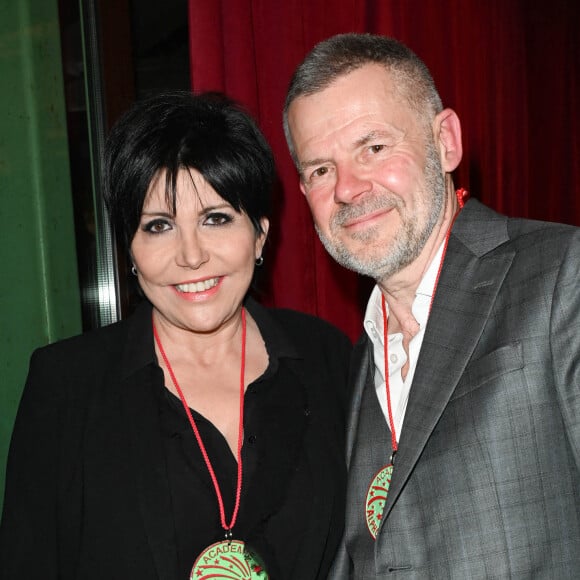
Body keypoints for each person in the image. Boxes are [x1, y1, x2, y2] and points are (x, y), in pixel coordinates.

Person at [0, 91, 352, 580]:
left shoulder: (330, 358)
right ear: (130, 249)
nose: (190, 256)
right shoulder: (65, 385)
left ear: (260, 235)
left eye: (216, 219)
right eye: (159, 226)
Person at [283, 33, 580, 578]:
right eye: (320, 170)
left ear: (445, 141)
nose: (348, 189)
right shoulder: (359, 358)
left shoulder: (564, 273)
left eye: (373, 148)